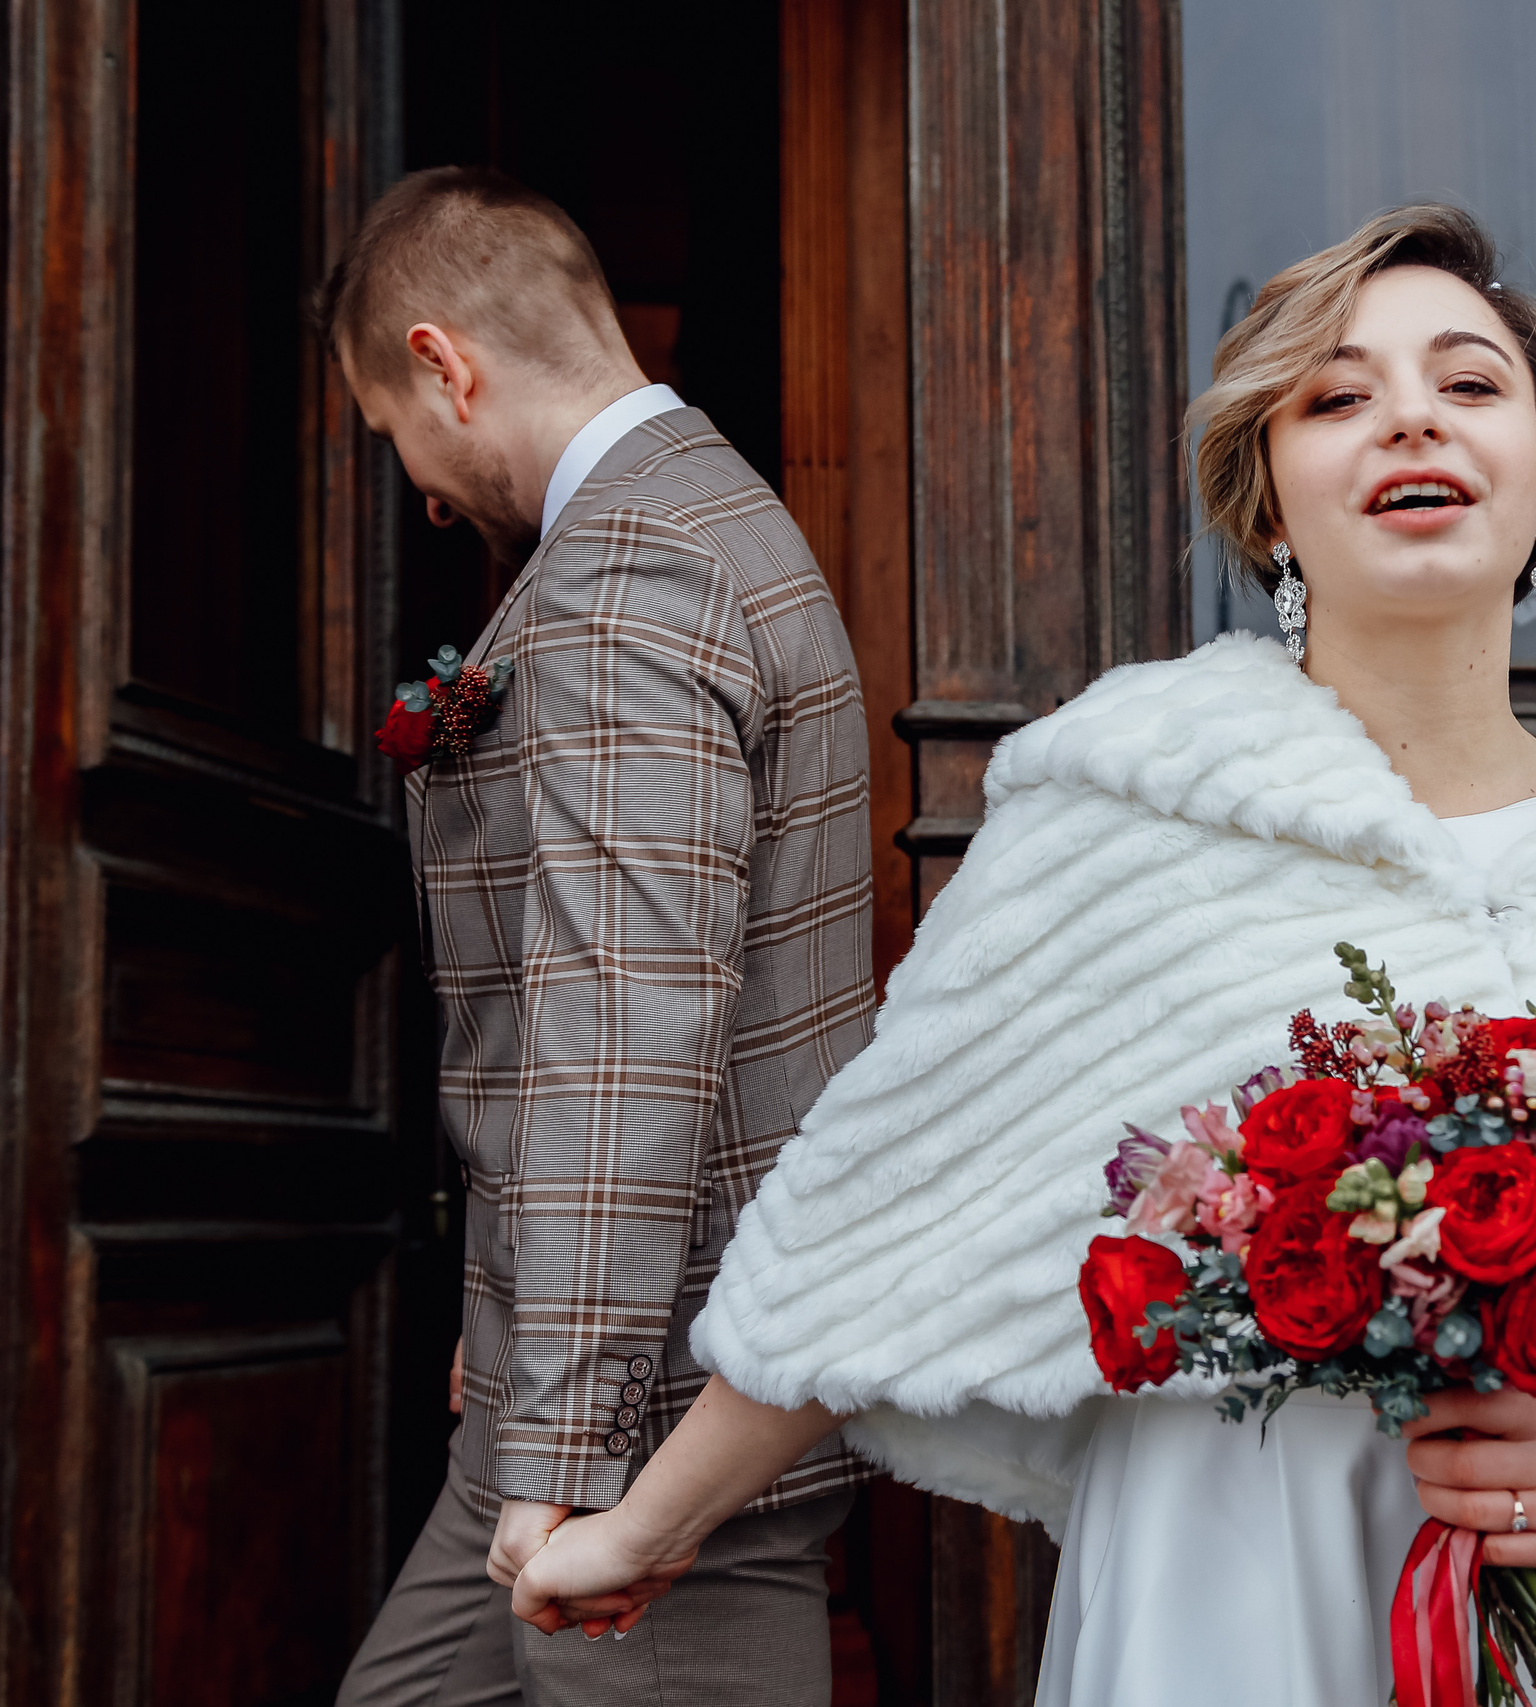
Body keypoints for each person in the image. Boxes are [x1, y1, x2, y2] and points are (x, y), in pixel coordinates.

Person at [512, 204, 1536, 1703]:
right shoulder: (1121, 818)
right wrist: (645, 1528)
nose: (1412, 419)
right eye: (1339, 397)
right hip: (1228, 1575)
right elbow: (872, 1223)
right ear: (1267, 501)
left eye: (1469, 382)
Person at [324, 167, 877, 1705]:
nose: (423, 491)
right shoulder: (693, 516)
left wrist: (568, 1451)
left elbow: (623, 1032)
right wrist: (510, 1326)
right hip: (568, 1366)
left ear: (445, 366)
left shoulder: (631, 572)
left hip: (649, 1425)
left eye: (393, 433)